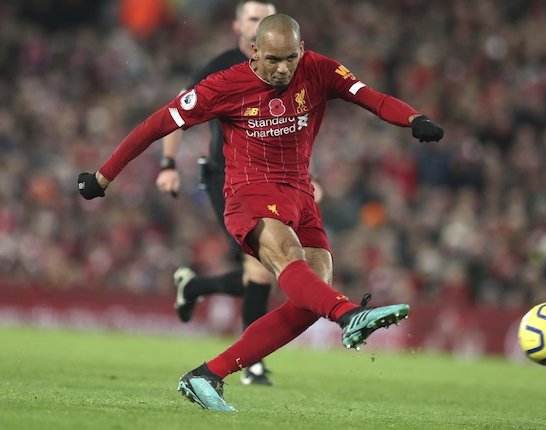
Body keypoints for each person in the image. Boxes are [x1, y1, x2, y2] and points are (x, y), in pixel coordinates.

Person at [77, 13, 443, 412]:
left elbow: (370, 97)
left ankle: (207, 374)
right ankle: (350, 314)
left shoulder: (319, 70)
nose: (283, 68)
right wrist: (102, 177)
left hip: (301, 195)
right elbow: (155, 125)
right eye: (273, 60)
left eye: (290, 58)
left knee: (312, 294)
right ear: (255, 51)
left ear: (301, 50)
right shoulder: (223, 85)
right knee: (290, 258)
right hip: (250, 193)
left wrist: (413, 118)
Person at [156, 0, 277, 387]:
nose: (260, 26)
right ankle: (253, 364)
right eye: (254, 19)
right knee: (261, 266)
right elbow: (176, 114)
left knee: (267, 268)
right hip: (226, 179)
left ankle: (194, 286)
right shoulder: (219, 68)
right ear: (237, 27)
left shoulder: (283, 68)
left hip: (269, 179)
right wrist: (168, 165)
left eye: (266, 20)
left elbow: (291, 131)